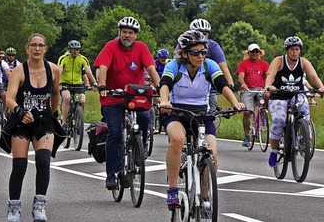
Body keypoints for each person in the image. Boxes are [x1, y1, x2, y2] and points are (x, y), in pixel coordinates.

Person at [159, 30, 244, 207]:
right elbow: (165, 85)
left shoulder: (209, 65)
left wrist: (235, 103)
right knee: (177, 139)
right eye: (195, 52)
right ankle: (173, 190)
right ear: (184, 54)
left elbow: (222, 85)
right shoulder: (174, 66)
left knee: (211, 153)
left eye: (203, 51)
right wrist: (165, 101)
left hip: (202, 115)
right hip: (177, 113)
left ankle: (205, 196)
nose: (200, 56)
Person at [3, 33, 64, 222]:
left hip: (44, 120)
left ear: (45, 49)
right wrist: (20, 112)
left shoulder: (54, 69)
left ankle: (39, 204)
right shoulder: (19, 71)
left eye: (41, 46)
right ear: (27, 48)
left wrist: (54, 115)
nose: (37, 49)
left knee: (44, 161)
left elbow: (55, 94)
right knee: (19, 166)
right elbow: (9, 99)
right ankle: (14, 207)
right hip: (22, 121)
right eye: (33, 45)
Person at [93, 16, 161, 190]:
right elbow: (103, 67)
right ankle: (111, 174)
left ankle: (141, 148)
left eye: (130, 33)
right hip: (112, 96)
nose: (127, 35)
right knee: (115, 132)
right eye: (124, 32)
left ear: (135, 35)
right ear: (119, 33)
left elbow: (151, 68)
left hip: (134, 95)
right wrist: (102, 85)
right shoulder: (111, 46)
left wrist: (159, 87)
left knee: (145, 117)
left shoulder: (141, 48)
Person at [265, 36, 324, 167]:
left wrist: (321, 87)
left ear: (300, 50)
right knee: (279, 120)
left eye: (297, 49)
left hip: (297, 94)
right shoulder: (279, 61)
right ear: (287, 50)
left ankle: (302, 135)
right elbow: (271, 75)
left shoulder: (303, 62)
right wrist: (269, 86)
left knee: (304, 111)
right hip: (279, 95)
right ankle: (274, 151)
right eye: (291, 49)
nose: (294, 52)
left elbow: (313, 76)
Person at [189, 19, 235, 119]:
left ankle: (212, 132)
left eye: (205, 34)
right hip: (188, 83)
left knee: (213, 115)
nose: (202, 36)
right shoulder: (183, 46)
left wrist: (229, 83)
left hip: (208, 84)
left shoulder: (213, 46)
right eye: (198, 33)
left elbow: (223, 65)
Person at [57, 40, 96, 127]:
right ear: (70, 50)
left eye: (78, 49)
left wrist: (95, 83)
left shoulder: (83, 59)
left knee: (82, 100)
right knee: (67, 98)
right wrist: (57, 84)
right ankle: (64, 122)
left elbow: (88, 72)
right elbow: (58, 72)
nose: (76, 51)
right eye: (74, 49)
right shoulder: (63, 58)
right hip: (65, 83)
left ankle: (79, 121)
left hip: (78, 84)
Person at [237, 43, 270, 146]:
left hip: (261, 88)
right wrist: (243, 84)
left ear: (260, 53)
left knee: (267, 96)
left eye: (257, 51)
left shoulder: (264, 64)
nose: (255, 53)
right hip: (248, 89)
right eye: (253, 52)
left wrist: (268, 85)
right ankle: (246, 136)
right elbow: (241, 76)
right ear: (248, 53)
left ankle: (264, 111)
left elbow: (268, 75)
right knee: (247, 112)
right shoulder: (243, 63)